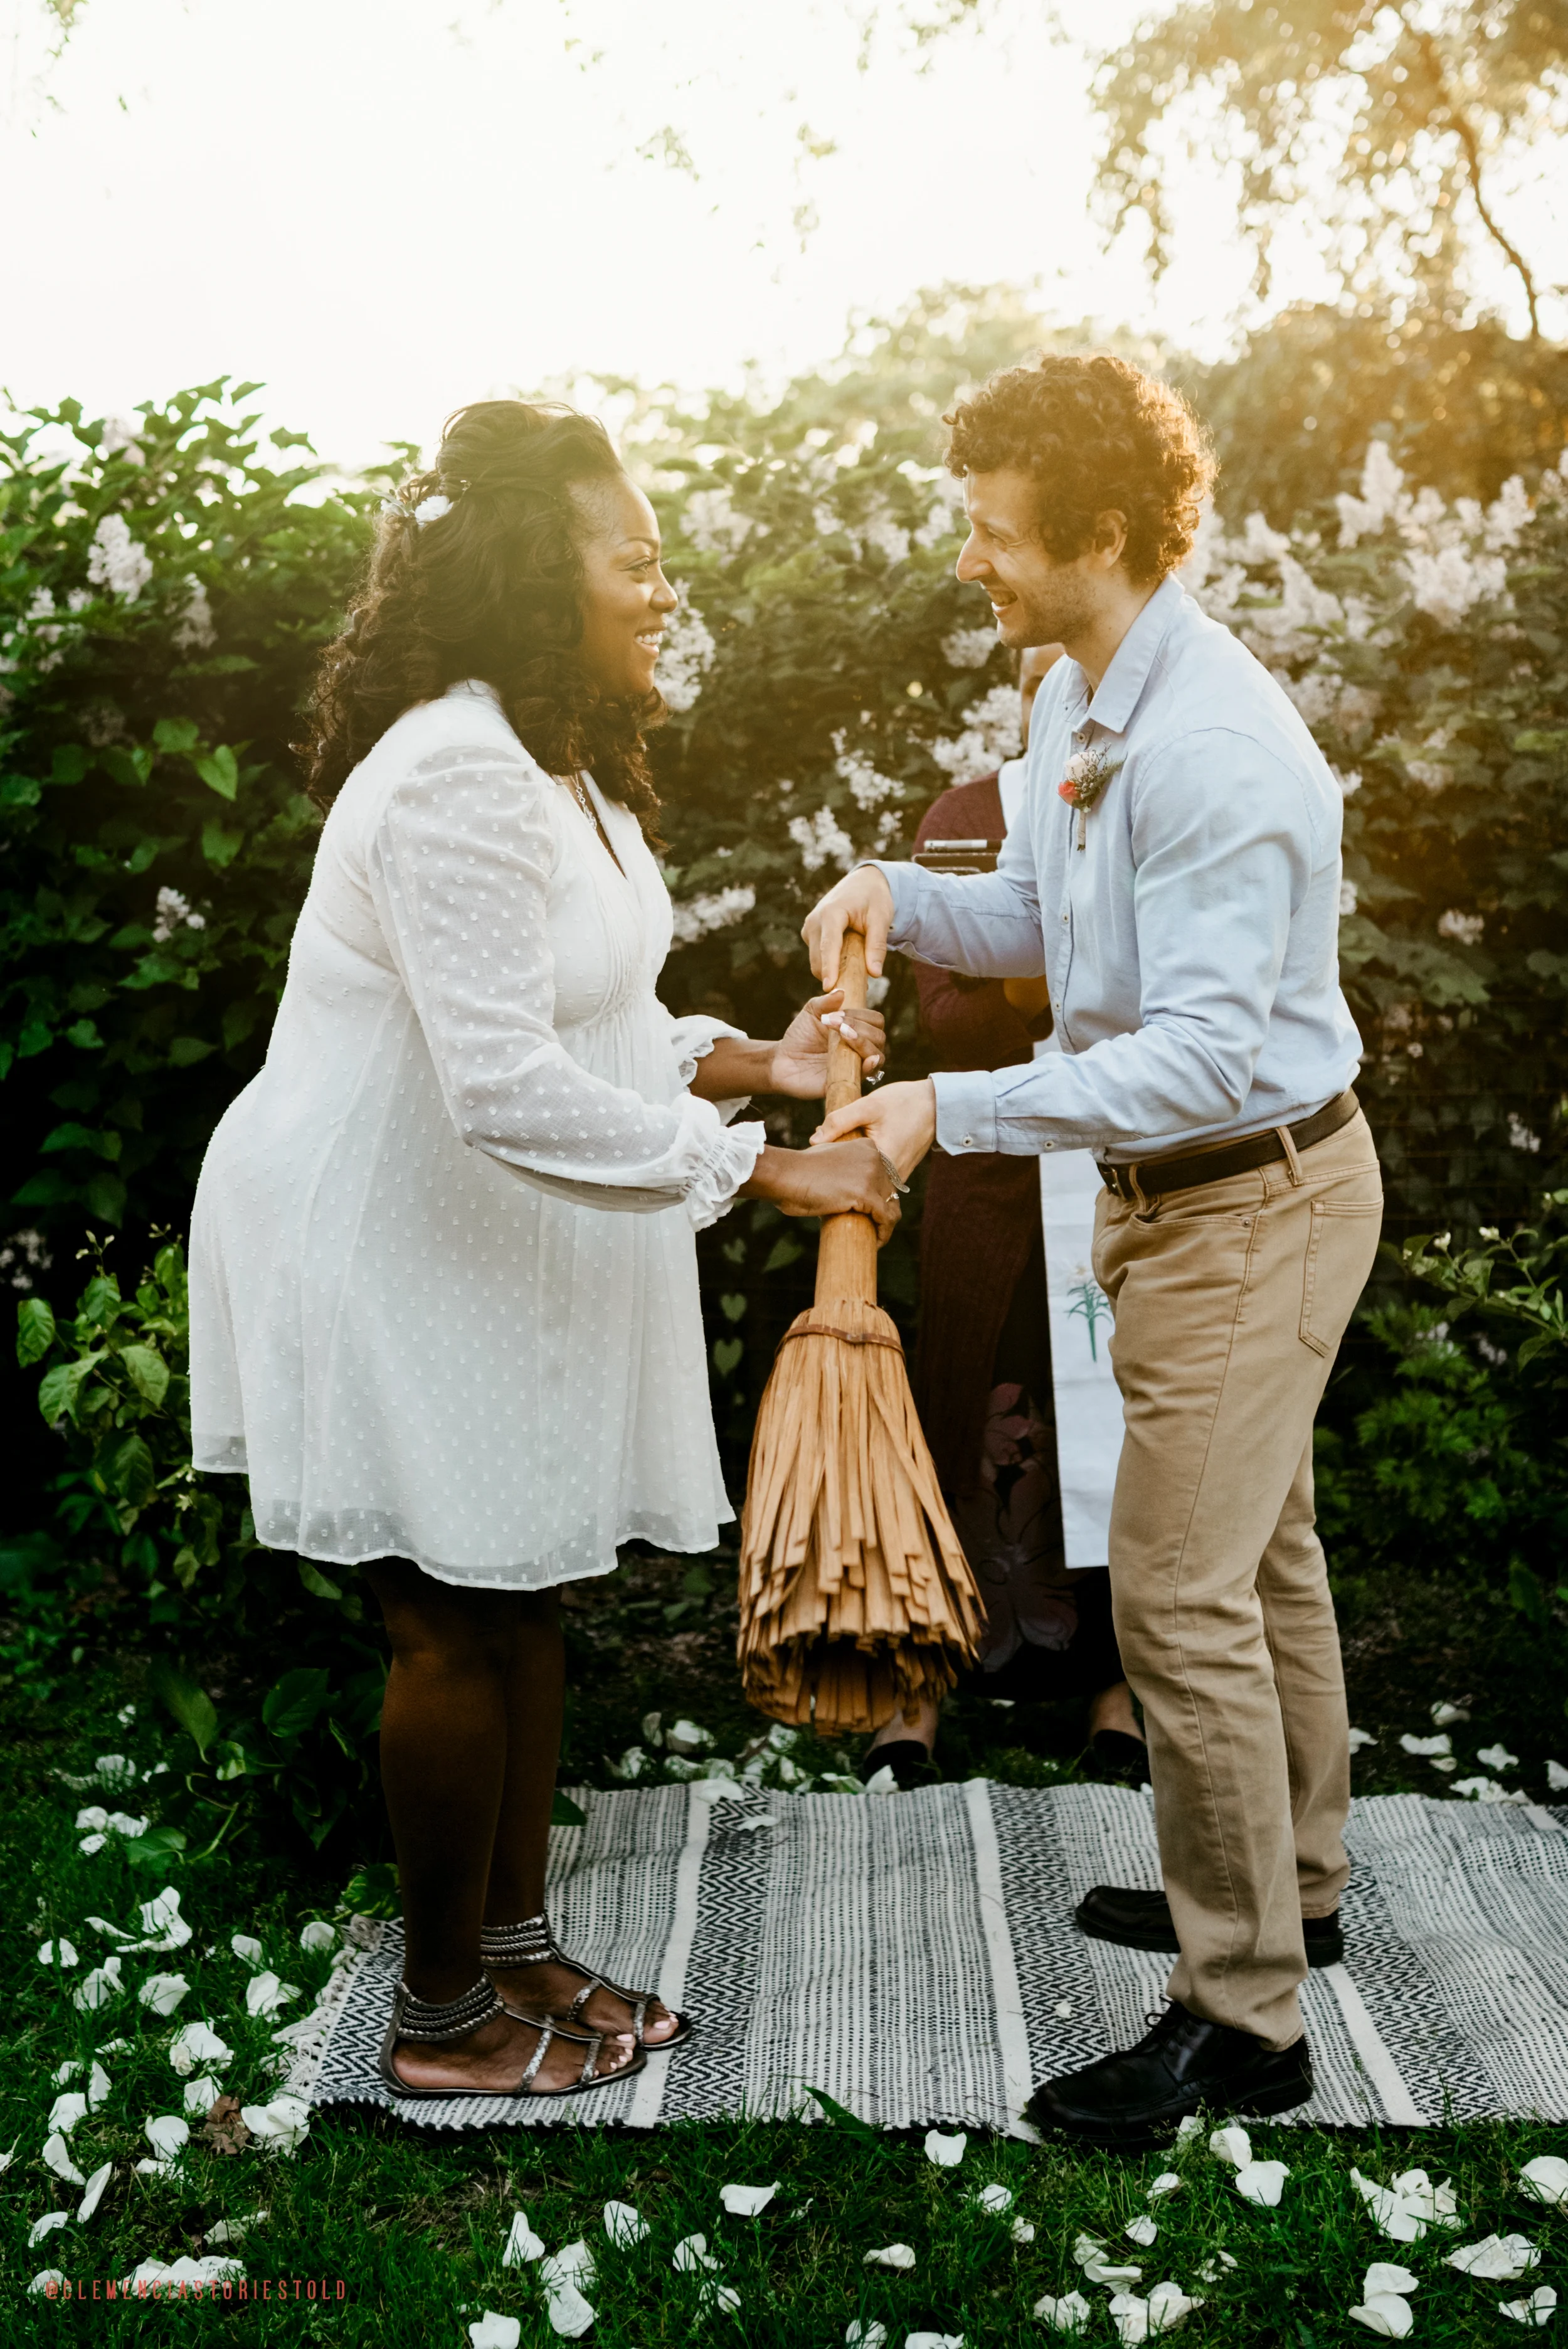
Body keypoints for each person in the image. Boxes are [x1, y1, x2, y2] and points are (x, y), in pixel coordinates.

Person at [188, 400, 896, 2102]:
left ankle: (514, 1954)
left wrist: (754, 1063)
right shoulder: (447, 769)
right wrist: (761, 1171)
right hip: (377, 1232)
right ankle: (440, 2024)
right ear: (534, 570)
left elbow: (591, 1018)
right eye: (632, 559)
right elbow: (497, 1075)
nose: (661, 587)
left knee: (523, 1598)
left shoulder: (553, 759)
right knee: (444, 1615)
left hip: (484, 1232)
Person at [804, 351, 1382, 2146]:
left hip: (1255, 1190)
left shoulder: (1215, 744)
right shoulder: (1076, 691)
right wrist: (896, 902)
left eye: (993, 533)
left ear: (1107, 534)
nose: (969, 561)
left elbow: (1205, 1051)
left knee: (1183, 1594)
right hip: (1186, 1196)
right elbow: (1051, 925)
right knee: (1259, 1552)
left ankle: (1243, 2021)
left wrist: (942, 1112)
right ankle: (1290, 1891)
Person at [861, 644, 1148, 1792]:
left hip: (1120, 1167)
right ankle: (919, 1693)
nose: (1064, 690)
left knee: (1116, 1429)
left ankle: (1116, 1696)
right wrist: (1071, 932)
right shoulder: (967, 814)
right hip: (986, 1171)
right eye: (1042, 678)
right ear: (1022, 696)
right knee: (957, 1414)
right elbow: (954, 1019)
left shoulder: (1149, 795)